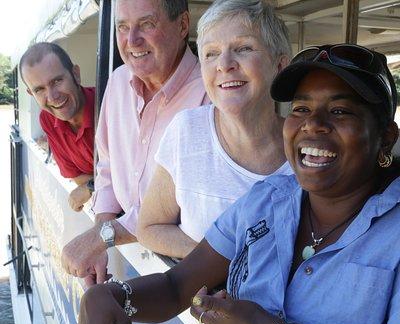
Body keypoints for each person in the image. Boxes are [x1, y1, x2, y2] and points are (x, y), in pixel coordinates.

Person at [78, 43, 400, 324]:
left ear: (386, 137)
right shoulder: (267, 200)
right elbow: (176, 287)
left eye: (340, 111)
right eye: (301, 108)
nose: (313, 124)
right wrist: (111, 296)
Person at [60, 0, 207, 285]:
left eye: (147, 24)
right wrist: (102, 231)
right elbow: (108, 167)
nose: (131, 40)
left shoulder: (210, 93)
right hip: (131, 256)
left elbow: (185, 206)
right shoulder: (117, 82)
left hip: (182, 277)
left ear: (183, 25)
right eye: (122, 27)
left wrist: (103, 236)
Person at [136, 0, 292, 259]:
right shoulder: (186, 131)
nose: (224, 64)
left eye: (243, 48)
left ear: (279, 66)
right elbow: (150, 227)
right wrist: (224, 264)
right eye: (210, 53)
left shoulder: (308, 147)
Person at [20, 42, 95, 212]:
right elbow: (77, 178)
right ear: (31, 94)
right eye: (39, 90)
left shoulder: (109, 105)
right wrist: (94, 184)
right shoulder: (47, 119)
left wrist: (91, 186)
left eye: (57, 81)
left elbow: (135, 175)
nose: (52, 97)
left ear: (76, 74)